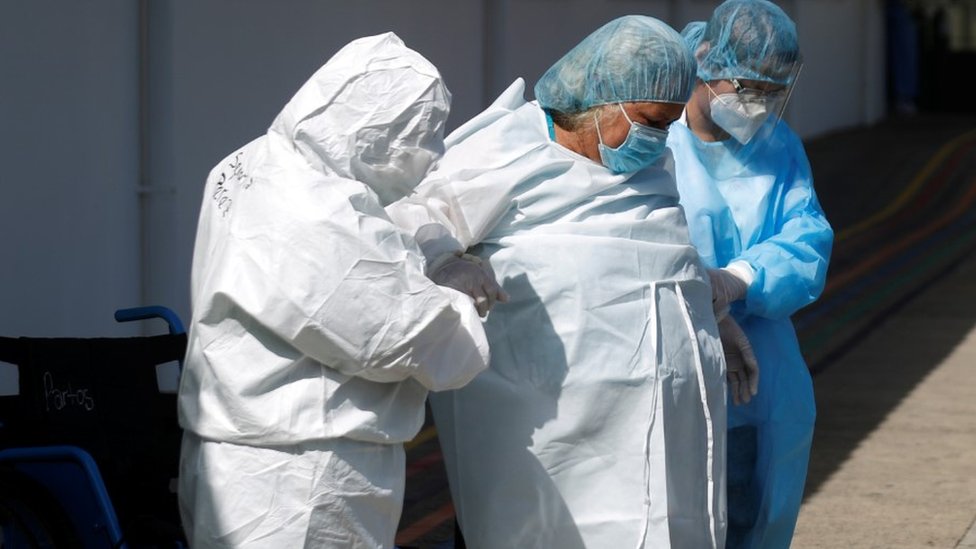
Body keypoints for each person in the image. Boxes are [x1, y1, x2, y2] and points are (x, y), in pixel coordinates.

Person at [387, 15, 754, 548]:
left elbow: (664, 248)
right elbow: (414, 217)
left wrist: (706, 312)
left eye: (669, 124)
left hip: (662, 430)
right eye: (651, 120)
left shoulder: (650, 166)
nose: (659, 138)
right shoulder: (506, 149)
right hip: (551, 428)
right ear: (603, 100)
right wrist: (446, 261)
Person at [176, 33, 505, 549]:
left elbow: (375, 233)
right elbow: (402, 335)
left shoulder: (256, 162)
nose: (432, 154)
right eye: (420, 136)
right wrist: (460, 297)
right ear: (372, 128)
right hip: (302, 475)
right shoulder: (314, 210)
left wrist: (431, 257)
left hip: (251, 454)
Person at [666, 1, 834, 547]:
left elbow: (806, 237)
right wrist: (700, 298)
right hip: (670, 346)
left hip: (759, 359)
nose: (757, 105)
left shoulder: (778, 147)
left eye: (772, 90)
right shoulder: (653, 138)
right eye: (748, 86)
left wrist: (739, 278)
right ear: (706, 59)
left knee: (753, 502)